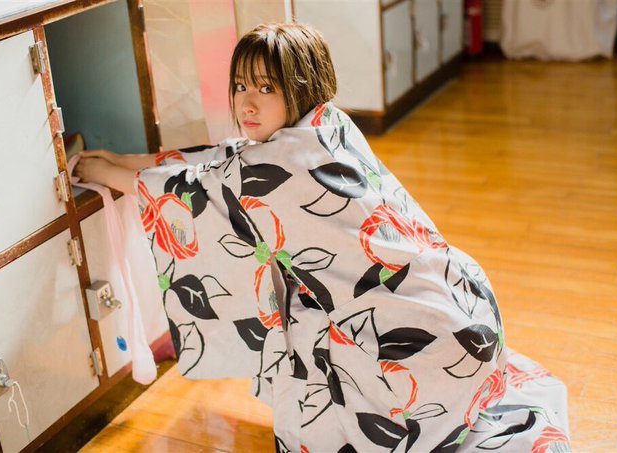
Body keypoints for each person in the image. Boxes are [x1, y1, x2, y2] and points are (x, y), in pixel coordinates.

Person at [75, 23, 570, 453]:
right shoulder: (328, 124)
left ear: (300, 87)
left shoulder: (267, 168)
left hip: (426, 353)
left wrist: (101, 170)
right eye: (241, 85)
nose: (247, 102)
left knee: (299, 322)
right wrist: (123, 159)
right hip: (466, 310)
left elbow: (187, 189)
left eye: (266, 88)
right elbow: (220, 157)